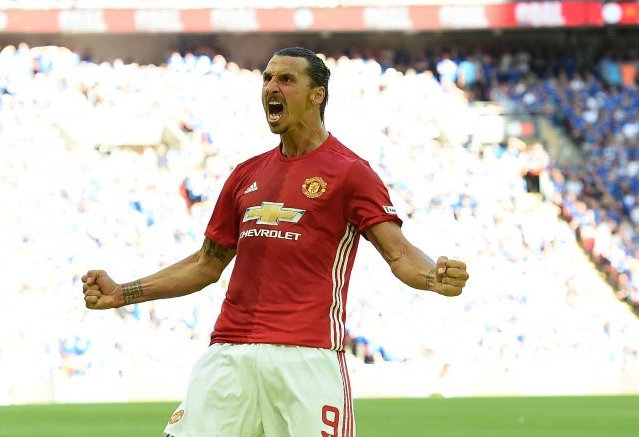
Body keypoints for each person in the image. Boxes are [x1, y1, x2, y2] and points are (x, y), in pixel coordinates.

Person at [82, 47, 470, 436]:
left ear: (317, 95)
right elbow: (206, 264)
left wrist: (432, 277)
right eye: (267, 78)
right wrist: (123, 293)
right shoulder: (245, 175)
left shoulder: (350, 173)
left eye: (286, 79)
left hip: (306, 357)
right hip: (230, 353)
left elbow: (399, 253)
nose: (271, 87)